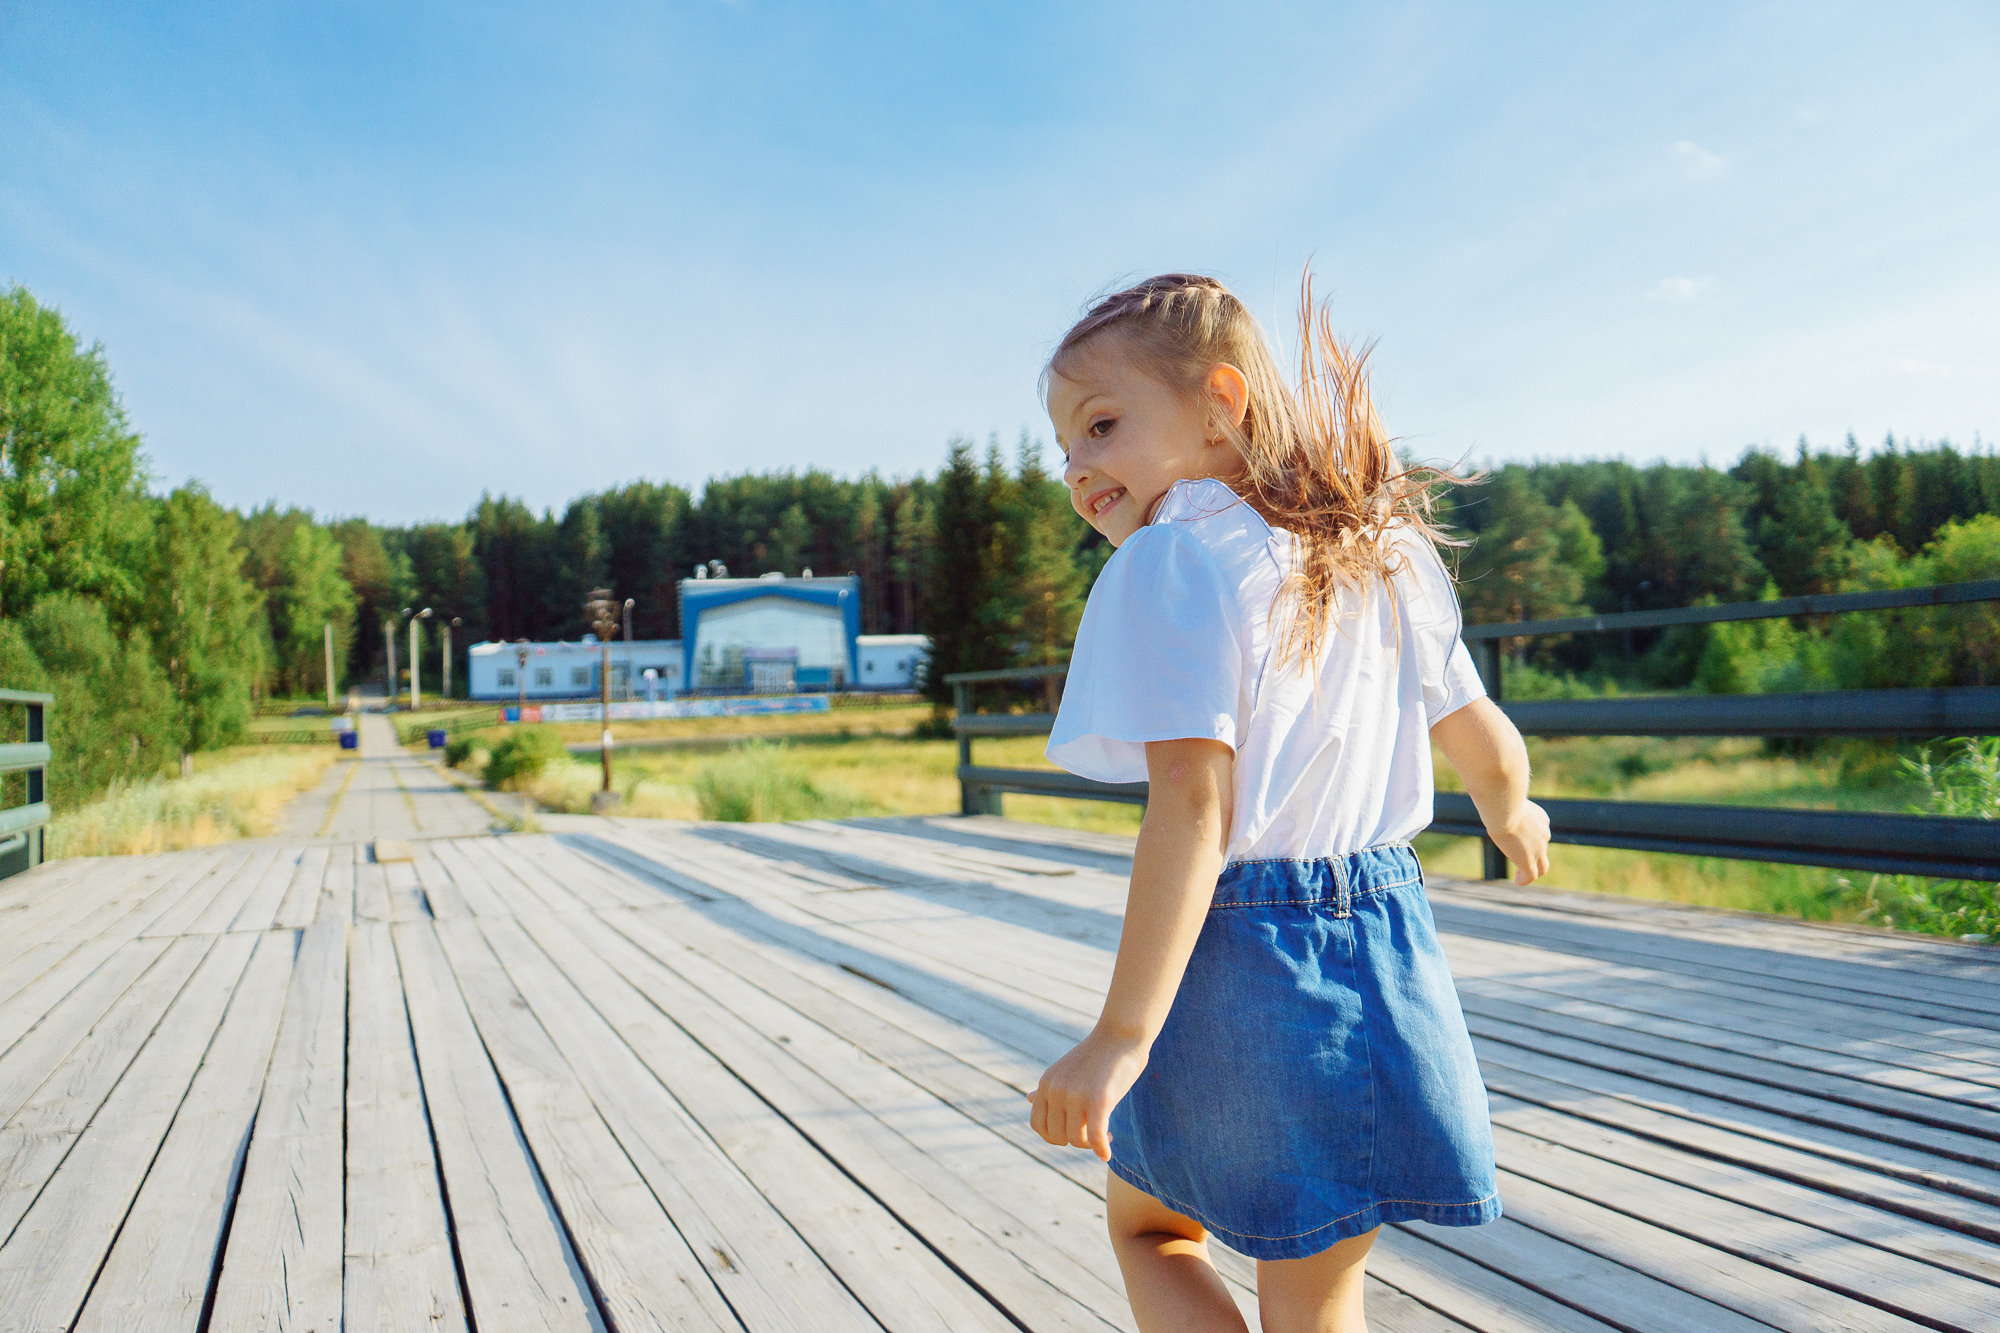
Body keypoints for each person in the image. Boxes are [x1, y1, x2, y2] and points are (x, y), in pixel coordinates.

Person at [1027, 273, 1552, 1332]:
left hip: (1242, 949)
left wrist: (1122, 1031)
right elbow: (1474, 724)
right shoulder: (1379, 547)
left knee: (1150, 1229)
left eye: (1100, 425)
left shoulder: (1177, 555)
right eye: (1065, 450)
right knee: (1318, 1291)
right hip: (1387, 936)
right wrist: (1513, 811)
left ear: (1220, 403)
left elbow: (1190, 799)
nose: (1078, 469)